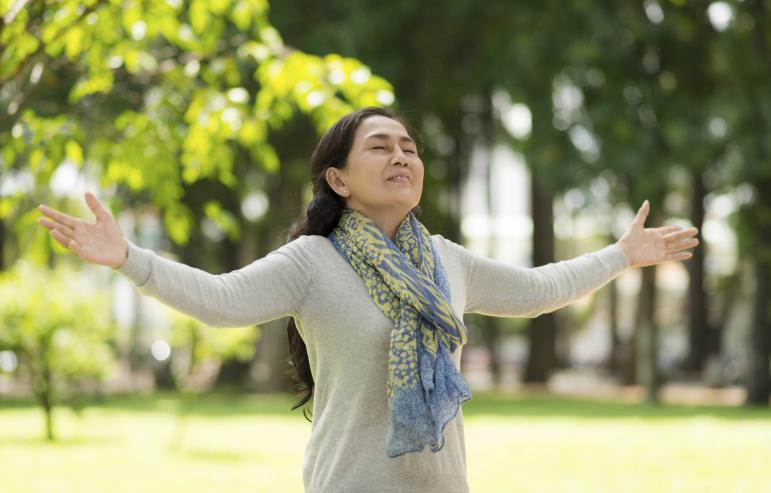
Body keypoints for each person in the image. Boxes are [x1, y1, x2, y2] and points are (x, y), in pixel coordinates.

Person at [36, 106, 700, 493]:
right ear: (338, 178)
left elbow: (536, 291)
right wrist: (128, 257)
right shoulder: (311, 260)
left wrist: (621, 255)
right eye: (379, 147)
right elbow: (220, 300)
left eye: (408, 147)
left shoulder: (444, 258)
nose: (401, 156)